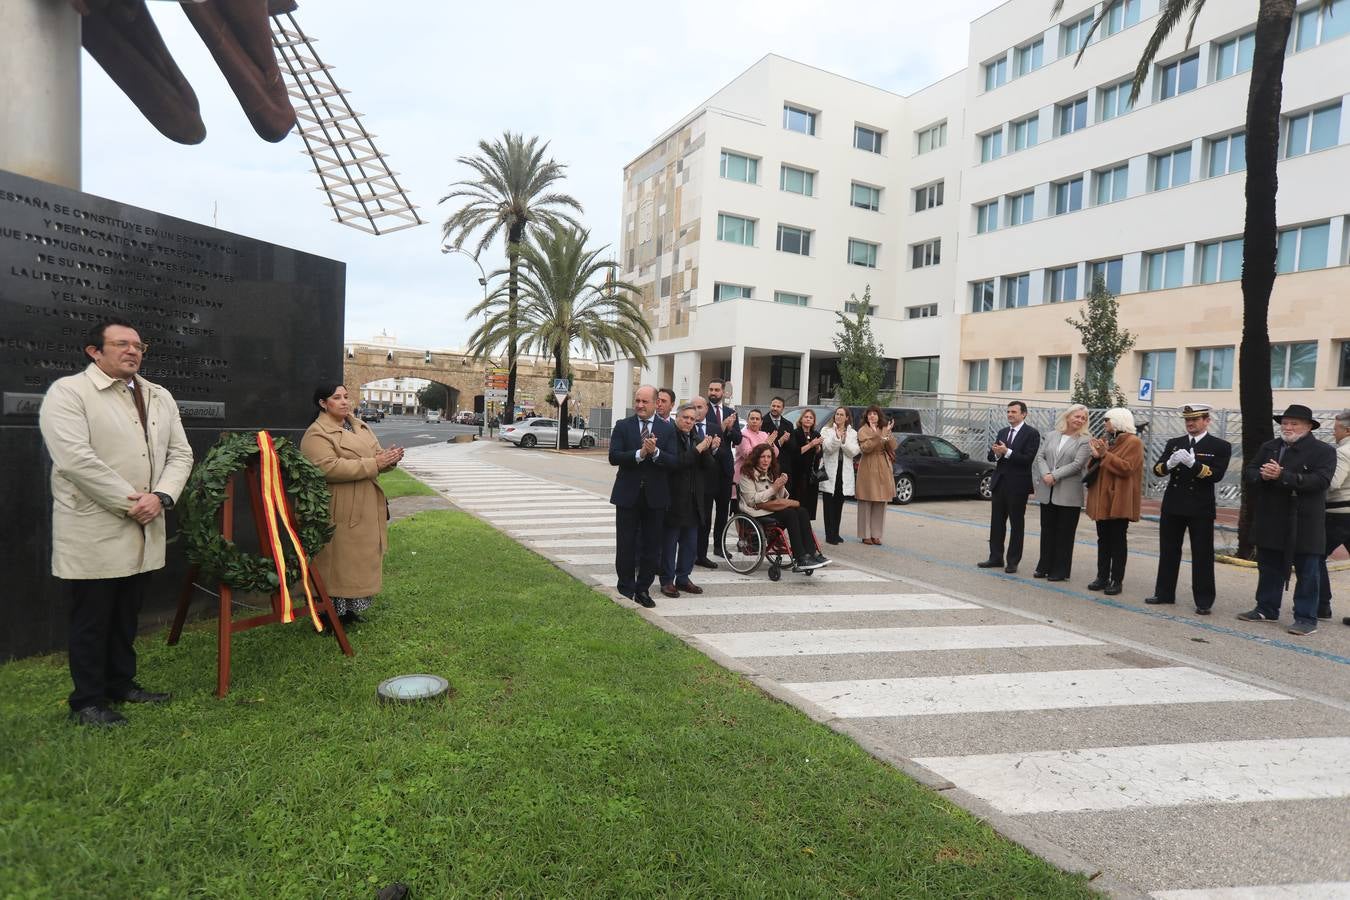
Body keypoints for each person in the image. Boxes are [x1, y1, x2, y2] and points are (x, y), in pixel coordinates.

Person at [38, 318, 194, 727]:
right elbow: (74, 459)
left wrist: (160, 496)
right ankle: (87, 701)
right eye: (122, 344)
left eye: (139, 346)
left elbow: (181, 454)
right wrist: (133, 503)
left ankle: (121, 683)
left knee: (127, 612)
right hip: (96, 525)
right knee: (92, 617)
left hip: (146, 521)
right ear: (95, 351)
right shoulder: (70, 393)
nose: (133, 351)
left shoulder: (159, 396)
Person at [301, 383, 404, 625]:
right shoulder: (317, 433)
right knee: (336, 563)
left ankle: (349, 610)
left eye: (347, 396)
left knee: (357, 562)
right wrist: (375, 463)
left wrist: (389, 459)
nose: (345, 401)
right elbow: (326, 467)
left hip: (366, 502)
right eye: (337, 398)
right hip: (340, 505)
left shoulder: (359, 426)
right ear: (323, 403)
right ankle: (327, 615)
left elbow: (375, 455)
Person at [1238, 404, 1337, 636]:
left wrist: (1284, 476)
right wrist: (1262, 475)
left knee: (1307, 570)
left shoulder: (1323, 451)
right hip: (1271, 517)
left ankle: (1305, 618)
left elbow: (1320, 481)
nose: (1288, 427)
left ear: (1308, 427)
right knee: (1269, 566)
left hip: (1304, 520)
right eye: (1284, 423)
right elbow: (1249, 471)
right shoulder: (1270, 447)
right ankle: (1266, 608)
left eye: (1294, 423)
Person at [1145, 404, 1233, 614]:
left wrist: (1193, 464)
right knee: (1168, 551)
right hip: (1173, 504)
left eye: (1195, 419)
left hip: (1200, 507)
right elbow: (1157, 470)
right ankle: (1164, 592)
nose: (1190, 424)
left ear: (1207, 421)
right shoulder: (1175, 443)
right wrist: (1170, 464)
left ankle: (1204, 600)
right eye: (1187, 420)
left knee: (1202, 554)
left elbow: (1216, 475)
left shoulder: (1220, 445)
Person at [608, 385, 676, 608]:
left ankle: (643, 589)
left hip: (655, 497)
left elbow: (674, 461)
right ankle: (625, 588)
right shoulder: (623, 426)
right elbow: (614, 456)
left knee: (651, 546)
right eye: (637, 400)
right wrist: (640, 454)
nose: (639, 405)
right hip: (628, 495)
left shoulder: (667, 429)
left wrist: (655, 453)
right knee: (626, 545)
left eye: (644, 401)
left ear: (656, 403)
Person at [737, 443, 829, 571]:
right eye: (762, 457)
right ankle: (800, 557)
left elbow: (780, 497)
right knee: (790, 514)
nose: (766, 460)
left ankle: (812, 552)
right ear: (756, 458)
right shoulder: (747, 474)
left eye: (769, 457)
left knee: (801, 511)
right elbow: (752, 500)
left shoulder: (771, 472)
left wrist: (780, 486)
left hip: (771, 506)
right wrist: (774, 488)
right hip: (756, 510)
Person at [660, 403, 718, 598]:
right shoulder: (669, 435)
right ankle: (667, 580)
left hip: (694, 500)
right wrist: (698, 450)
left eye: (693, 419)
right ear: (678, 417)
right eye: (686, 418)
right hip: (674, 499)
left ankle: (683, 578)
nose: (689, 422)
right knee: (670, 544)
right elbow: (677, 462)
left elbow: (709, 466)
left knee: (690, 544)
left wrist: (708, 449)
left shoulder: (696, 437)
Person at [1084, 408, 1144, 595]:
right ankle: (1102, 577)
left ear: (1118, 421)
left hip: (1119, 499)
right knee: (1103, 540)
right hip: (1103, 497)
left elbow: (1127, 468)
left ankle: (1116, 580)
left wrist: (1104, 455)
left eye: (1107, 420)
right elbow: (1098, 466)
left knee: (1118, 541)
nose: (1104, 423)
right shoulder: (1108, 440)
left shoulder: (1133, 442)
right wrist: (1095, 456)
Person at [979, 400, 1041, 574]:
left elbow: (1027, 459)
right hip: (1000, 483)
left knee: (1016, 524)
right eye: (1008, 412)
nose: (1010, 415)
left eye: (1014, 412)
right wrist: (997, 454)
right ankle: (995, 557)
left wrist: (1007, 452)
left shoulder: (1032, 434)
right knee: (997, 523)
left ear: (1024, 414)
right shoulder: (1003, 432)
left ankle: (1012, 561)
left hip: (1018, 485)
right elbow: (992, 456)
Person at [1032, 404, 1092, 581]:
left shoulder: (1085, 439)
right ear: (1068, 416)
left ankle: (1060, 570)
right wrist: (1046, 474)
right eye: (1077, 416)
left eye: (1083, 418)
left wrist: (1054, 475)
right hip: (1047, 489)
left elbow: (1078, 464)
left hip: (1069, 492)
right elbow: (1040, 456)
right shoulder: (1051, 435)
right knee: (1047, 530)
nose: (1079, 420)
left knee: (1065, 533)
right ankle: (1044, 566)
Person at [703, 379, 741, 561]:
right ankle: (700, 550)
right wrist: (722, 427)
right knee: (704, 512)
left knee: (722, 512)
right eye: (711, 389)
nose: (713, 392)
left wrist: (730, 429)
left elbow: (738, 439)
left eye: (717, 389)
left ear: (723, 392)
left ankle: (719, 546)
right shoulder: (703, 410)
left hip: (725, 470)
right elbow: (702, 434)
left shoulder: (731, 412)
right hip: (707, 468)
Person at [1321, 411, 1350, 626]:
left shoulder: (1343, 452)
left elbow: (1332, 483)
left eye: (1336, 427)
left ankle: (1321, 605)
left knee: (1314, 557)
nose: (1333, 431)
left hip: (1338, 514)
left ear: (1347, 430)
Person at [855, 406, 896, 545]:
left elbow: (893, 446)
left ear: (879, 416)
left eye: (875, 414)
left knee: (880, 501)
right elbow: (866, 448)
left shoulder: (884, 428)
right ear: (866, 417)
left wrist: (888, 434)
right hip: (868, 465)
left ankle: (876, 534)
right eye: (870, 414)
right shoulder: (862, 430)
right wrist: (877, 436)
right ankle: (865, 534)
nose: (872, 416)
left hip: (883, 466)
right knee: (866, 500)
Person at [819, 406, 860, 545]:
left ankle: (836, 533)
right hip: (830, 471)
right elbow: (828, 448)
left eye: (842, 414)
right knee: (828, 505)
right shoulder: (826, 430)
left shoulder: (853, 433)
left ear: (847, 417)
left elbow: (854, 452)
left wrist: (843, 441)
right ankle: (829, 534)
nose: (838, 416)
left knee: (838, 503)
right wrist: (837, 438)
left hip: (843, 471)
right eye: (837, 414)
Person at [784, 408, 825, 528]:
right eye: (806, 417)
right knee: (797, 503)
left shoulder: (816, 434)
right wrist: (811, 444)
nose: (808, 419)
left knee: (809, 503)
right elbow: (795, 452)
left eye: (811, 418)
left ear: (814, 421)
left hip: (811, 475)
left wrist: (817, 448)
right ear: (801, 419)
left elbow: (819, 455)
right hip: (797, 474)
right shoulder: (795, 433)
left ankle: (806, 529)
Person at [735, 409, 776, 485]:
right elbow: (748, 454)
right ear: (747, 420)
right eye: (752, 418)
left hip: (762, 476)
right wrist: (766, 444)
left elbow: (775, 454)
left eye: (757, 419)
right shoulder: (742, 435)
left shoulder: (764, 434)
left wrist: (772, 444)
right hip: (746, 474)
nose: (754, 421)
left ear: (761, 422)